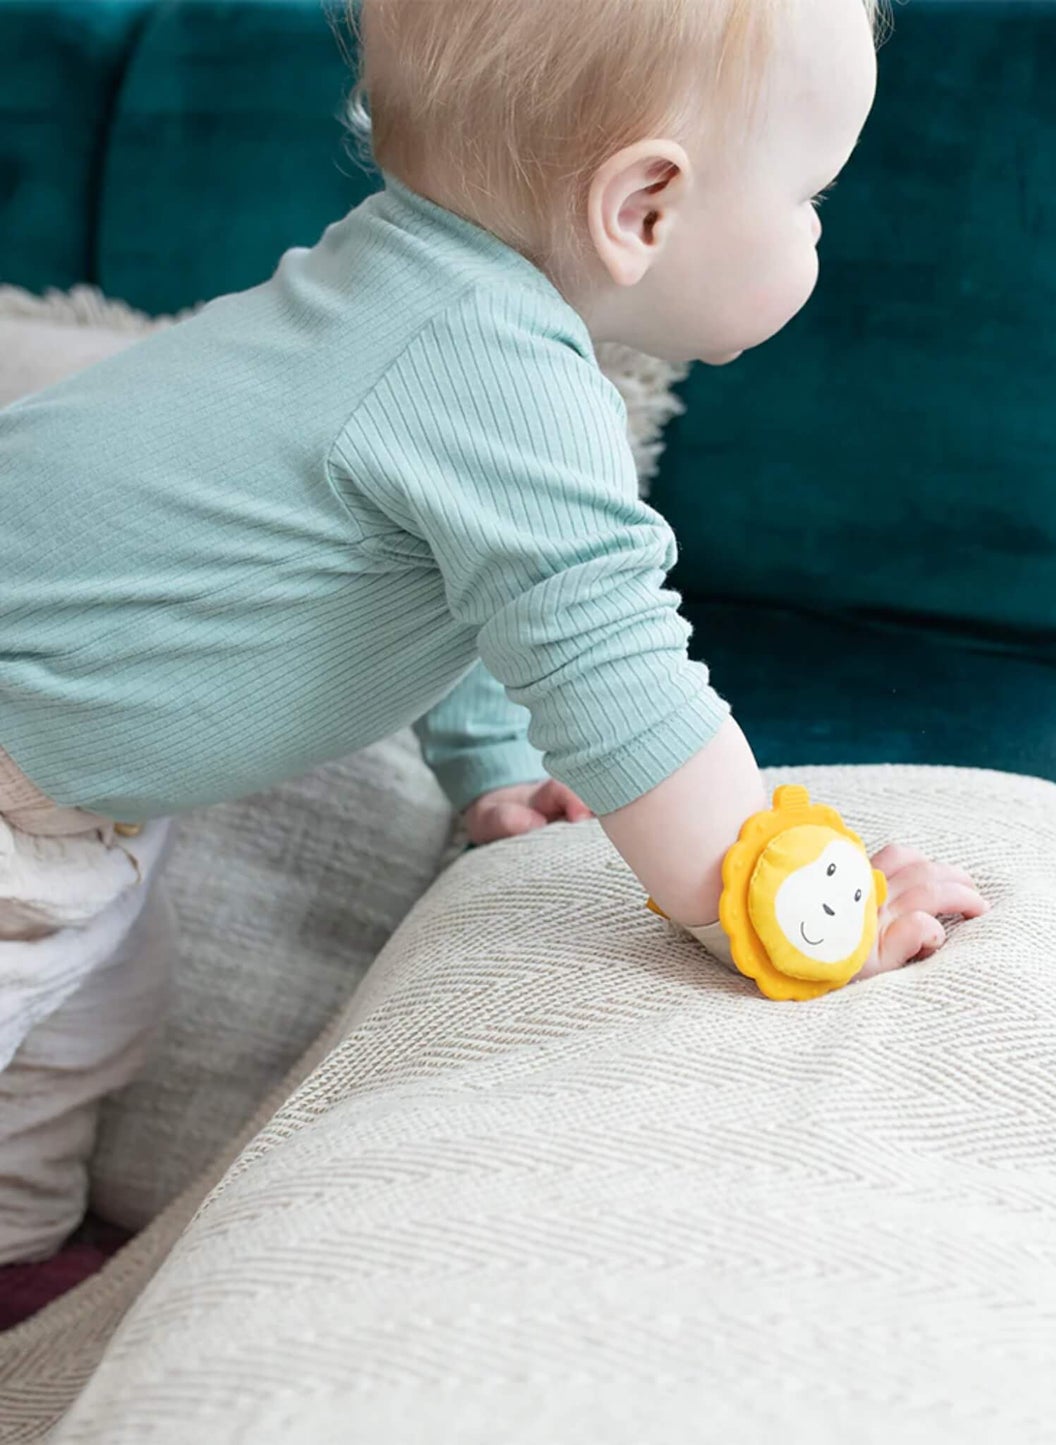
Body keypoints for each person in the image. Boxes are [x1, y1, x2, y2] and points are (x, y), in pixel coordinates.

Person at [0, 0, 988, 1265]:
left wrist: (497, 762)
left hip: (69, 813)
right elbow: (613, 673)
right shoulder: (495, 367)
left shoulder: (408, 287)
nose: (815, 232)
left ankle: (23, 1274)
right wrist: (795, 907)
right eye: (812, 195)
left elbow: (440, 575)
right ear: (643, 208)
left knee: (85, 1035)